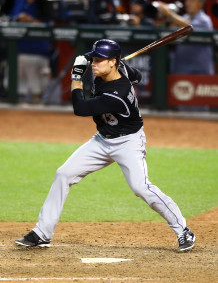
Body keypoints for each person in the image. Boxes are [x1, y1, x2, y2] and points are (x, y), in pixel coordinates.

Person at [15, 39, 195, 252]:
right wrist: (119, 66)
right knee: (63, 174)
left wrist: (76, 77)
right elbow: (137, 75)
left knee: (141, 187)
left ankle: (183, 230)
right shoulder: (116, 70)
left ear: (112, 62)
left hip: (128, 142)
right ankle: (42, 233)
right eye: (94, 59)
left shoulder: (116, 94)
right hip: (101, 140)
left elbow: (80, 108)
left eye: (99, 60)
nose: (93, 63)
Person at [9, 0, 51, 102]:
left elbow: (51, 22)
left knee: (38, 87)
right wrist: (18, 18)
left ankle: (38, 110)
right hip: (20, 47)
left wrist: (31, 20)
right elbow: (11, 17)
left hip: (39, 48)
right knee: (18, 87)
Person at [157, 0, 214, 74]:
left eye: (192, 0)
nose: (188, 3)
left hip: (199, 71)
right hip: (180, 69)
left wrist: (169, 13)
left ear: (201, 3)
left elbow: (189, 27)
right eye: (187, 0)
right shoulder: (184, 17)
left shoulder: (205, 20)